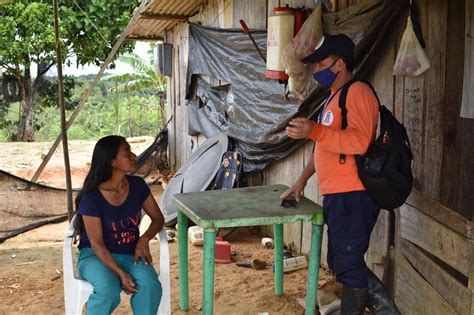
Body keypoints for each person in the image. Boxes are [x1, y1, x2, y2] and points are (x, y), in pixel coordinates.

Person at [281, 34, 400, 314]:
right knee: (341, 262)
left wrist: (314, 130)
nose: (314, 69)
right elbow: (324, 146)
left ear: (339, 64)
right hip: (337, 193)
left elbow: (359, 142)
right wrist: (302, 179)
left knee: (347, 264)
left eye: (320, 63)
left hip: (354, 192)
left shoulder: (358, 92)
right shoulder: (332, 98)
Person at [75, 135, 164, 315]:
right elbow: (97, 244)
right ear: (112, 161)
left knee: (150, 286)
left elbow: (158, 218)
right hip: (95, 257)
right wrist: (120, 273)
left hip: (130, 253)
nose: (133, 156)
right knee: (108, 289)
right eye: (127, 152)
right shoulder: (92, 197)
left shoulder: (137, 185)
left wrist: (143, 239)